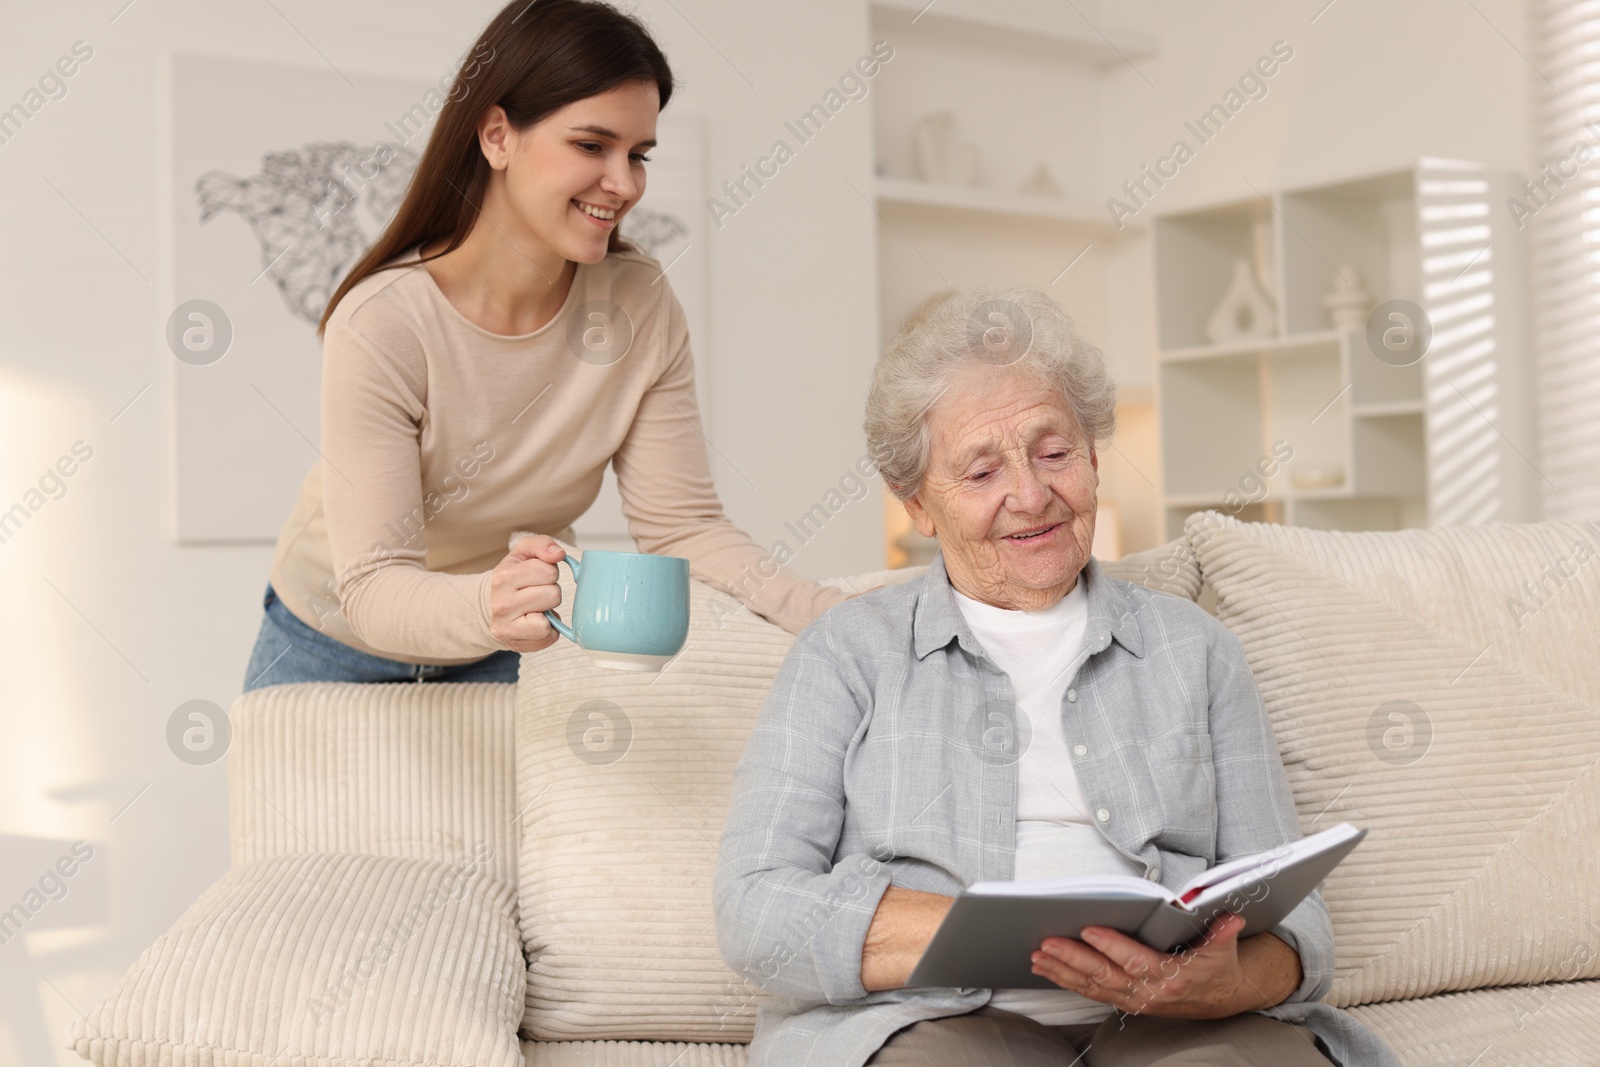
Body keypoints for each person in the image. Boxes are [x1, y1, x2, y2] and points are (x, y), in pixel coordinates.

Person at [713, 288, 1401, 1067]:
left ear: (1095, 457)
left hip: (1178, 1026)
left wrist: (1226, 981)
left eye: (1053, 452)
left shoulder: (1196, 651)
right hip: (932, 1023)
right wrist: (982, 935)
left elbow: (1300, 922)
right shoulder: (845, 654)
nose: (1032, 495)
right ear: (919, 506)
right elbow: (754, 908)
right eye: (981, 471)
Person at [243, 0, 852, 692]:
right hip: (330, 645)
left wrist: (829, 612)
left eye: (638, 155)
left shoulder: (638, 305)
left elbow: (683, 528)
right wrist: (492, 602)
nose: (623, 184)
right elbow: (375, 584)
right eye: (592, 146)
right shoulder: (385, 322)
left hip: (506, 647)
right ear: (498, 136)